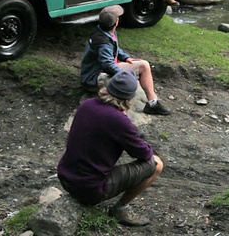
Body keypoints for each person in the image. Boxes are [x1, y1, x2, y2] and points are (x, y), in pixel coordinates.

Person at [58, 70, 164, 226]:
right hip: (89, 189)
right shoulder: (120, 121)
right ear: (129, 97)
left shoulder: (87, 105)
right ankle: (120, 209)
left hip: (66, 178)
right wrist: (132, 131)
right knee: (157, 164)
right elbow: (143, 154)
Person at [79, 4, 172, 115]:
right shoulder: (103, 42)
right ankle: (118, 115)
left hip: (101, 71)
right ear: (116, 22)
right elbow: (107, 65)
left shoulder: (104, 31)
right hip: (94, 78)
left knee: (144, 65)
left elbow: (115, 48)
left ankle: (152, 103)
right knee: (124, 85)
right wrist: (126, 76)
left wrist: (125, 57)